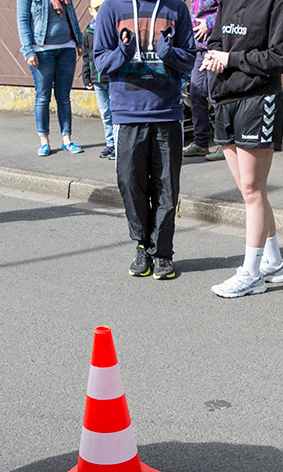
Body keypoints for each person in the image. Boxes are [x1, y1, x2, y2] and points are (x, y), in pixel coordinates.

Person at [93, 0, 195, 280]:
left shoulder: (176, 8)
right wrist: (124, 52)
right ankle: (142, 245)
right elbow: (100, 62)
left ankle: (162, 254)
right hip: (128, 113)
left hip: (167, 113)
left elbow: (190, 58)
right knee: (130, 183)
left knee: (166, 187)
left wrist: (168, 53)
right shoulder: (111, 9)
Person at [204, 0, 283, 298]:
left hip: (257, 99)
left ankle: (251, 274)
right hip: (225, 97)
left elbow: (279, 56)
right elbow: (216, 39)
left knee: (253, 191)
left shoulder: (280, 2)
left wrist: (230, 59)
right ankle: (275, 263)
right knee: (249, 191)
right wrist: (216, 56)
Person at [17, 0, 85, 157]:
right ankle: (44, 141)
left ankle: (67, 140)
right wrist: (28, 51)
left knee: (64, 96)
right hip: (41, 51)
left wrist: (78, 40)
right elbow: (23, 20)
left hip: (66, 48)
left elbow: (72, 14)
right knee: (43, 96)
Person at [182, 0, 222, 161]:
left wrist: (209, 23)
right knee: (196, 94)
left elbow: (228, 10)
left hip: (215, 47)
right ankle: (200, 142)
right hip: (198, 49)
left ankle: (223, 143)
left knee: (216, 95)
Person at [82, 0, 115, 159]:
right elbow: (87, 57)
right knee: (105, 113)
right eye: (96, 9)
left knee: (115, 112)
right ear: (90, 11)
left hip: (112, 78)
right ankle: (110, 143)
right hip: (97, 79)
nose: (100, 12)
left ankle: (119, 145)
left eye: (102, 9)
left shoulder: (112, 28)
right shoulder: (89, 33)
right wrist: (86, 76)